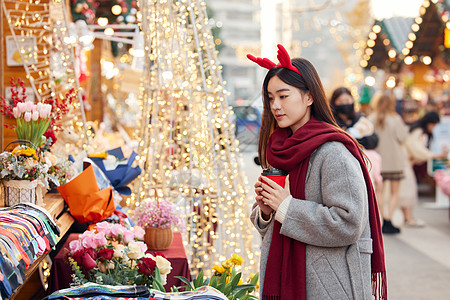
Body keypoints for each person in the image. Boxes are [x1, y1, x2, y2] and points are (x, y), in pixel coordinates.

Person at [247, 44, 386, 300]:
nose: (275, 105)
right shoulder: (280, 148)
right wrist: (266, 211)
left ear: (309, 97)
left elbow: (349, 223)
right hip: (290, 278)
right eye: (270, 97)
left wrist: (286, 207)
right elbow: (277, 221)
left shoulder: (333, 151)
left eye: (284, 95)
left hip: (329, 285)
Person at [368, 93, 409, 234]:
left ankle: (381, 218)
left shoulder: (371, 119)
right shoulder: (395, 119)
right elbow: (403, 137)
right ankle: (388, 219)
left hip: (378, 161)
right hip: (395, 161)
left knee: (379, 191)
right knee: (394, 192)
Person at [400, 111, 446, 226]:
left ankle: (407, 217)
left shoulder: (416, 130)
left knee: (407, 189)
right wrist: (434, 155)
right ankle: (408, 218)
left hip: (405, 162)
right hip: (404, 163)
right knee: (408, 190)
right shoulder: (418, 131)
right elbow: (415, 148)